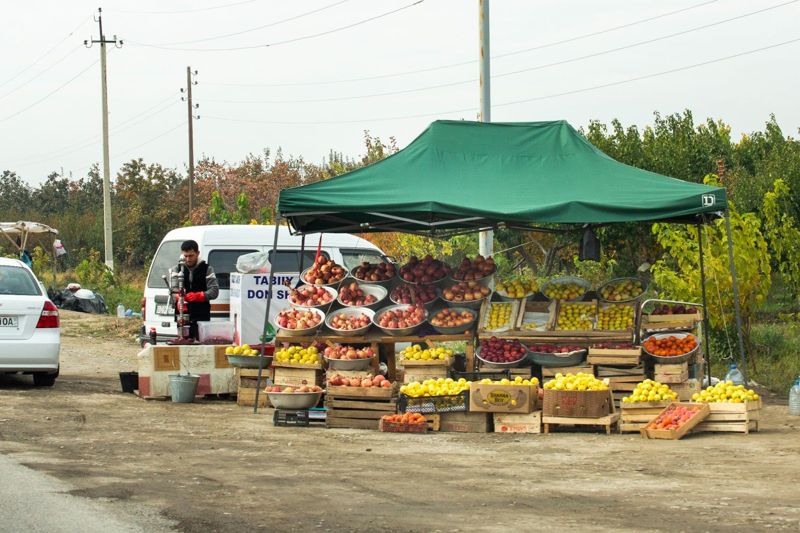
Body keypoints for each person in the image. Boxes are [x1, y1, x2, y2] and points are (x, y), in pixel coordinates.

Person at [174, 240, 219, 340]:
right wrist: (179, 297)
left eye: (191, 255)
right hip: (183, 317)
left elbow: (215, 291)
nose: (188, 259)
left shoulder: (207, 269)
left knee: (201, 344)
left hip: (202, 316)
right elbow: (173, 289)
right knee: (183, 343)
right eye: (185, 256)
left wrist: (200, 296)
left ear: (197, 253)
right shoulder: (176, 270)